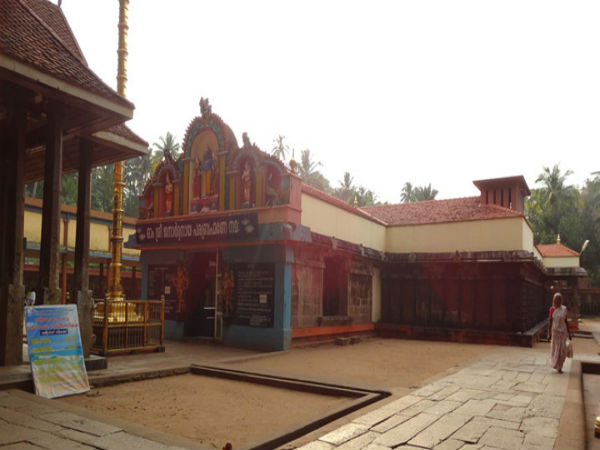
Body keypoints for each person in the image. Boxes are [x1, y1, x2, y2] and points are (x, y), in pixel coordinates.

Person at [547, 292, 571, 373]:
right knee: (556, 349)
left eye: (559, 299)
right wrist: (549, 333)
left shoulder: (564, 309)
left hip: (563, 332)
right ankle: (556, 364)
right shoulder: (552, 309)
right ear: (554, 300)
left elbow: (566, 321)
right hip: (555, 332)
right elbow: (550, 322)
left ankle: (560, 367)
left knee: (562, 350)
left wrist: (569, 333)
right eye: (557, 299)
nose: (558, 301)